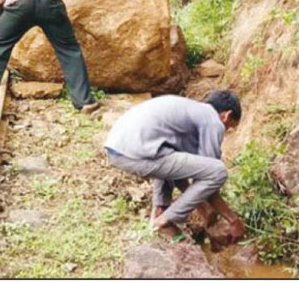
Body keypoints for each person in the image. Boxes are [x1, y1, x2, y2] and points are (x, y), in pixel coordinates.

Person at [104, 91, 247, 240]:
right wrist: (233, 220)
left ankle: (160, 210)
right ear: (226, 115)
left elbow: (177, 170)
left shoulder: (190, 112)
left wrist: (203, 206)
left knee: (171, 157)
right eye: (229, 127)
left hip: (117, 149)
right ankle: (163, 221)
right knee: (219, 171)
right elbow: (212, 176)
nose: (225, 131)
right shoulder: (212, 120)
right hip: (135, 153)